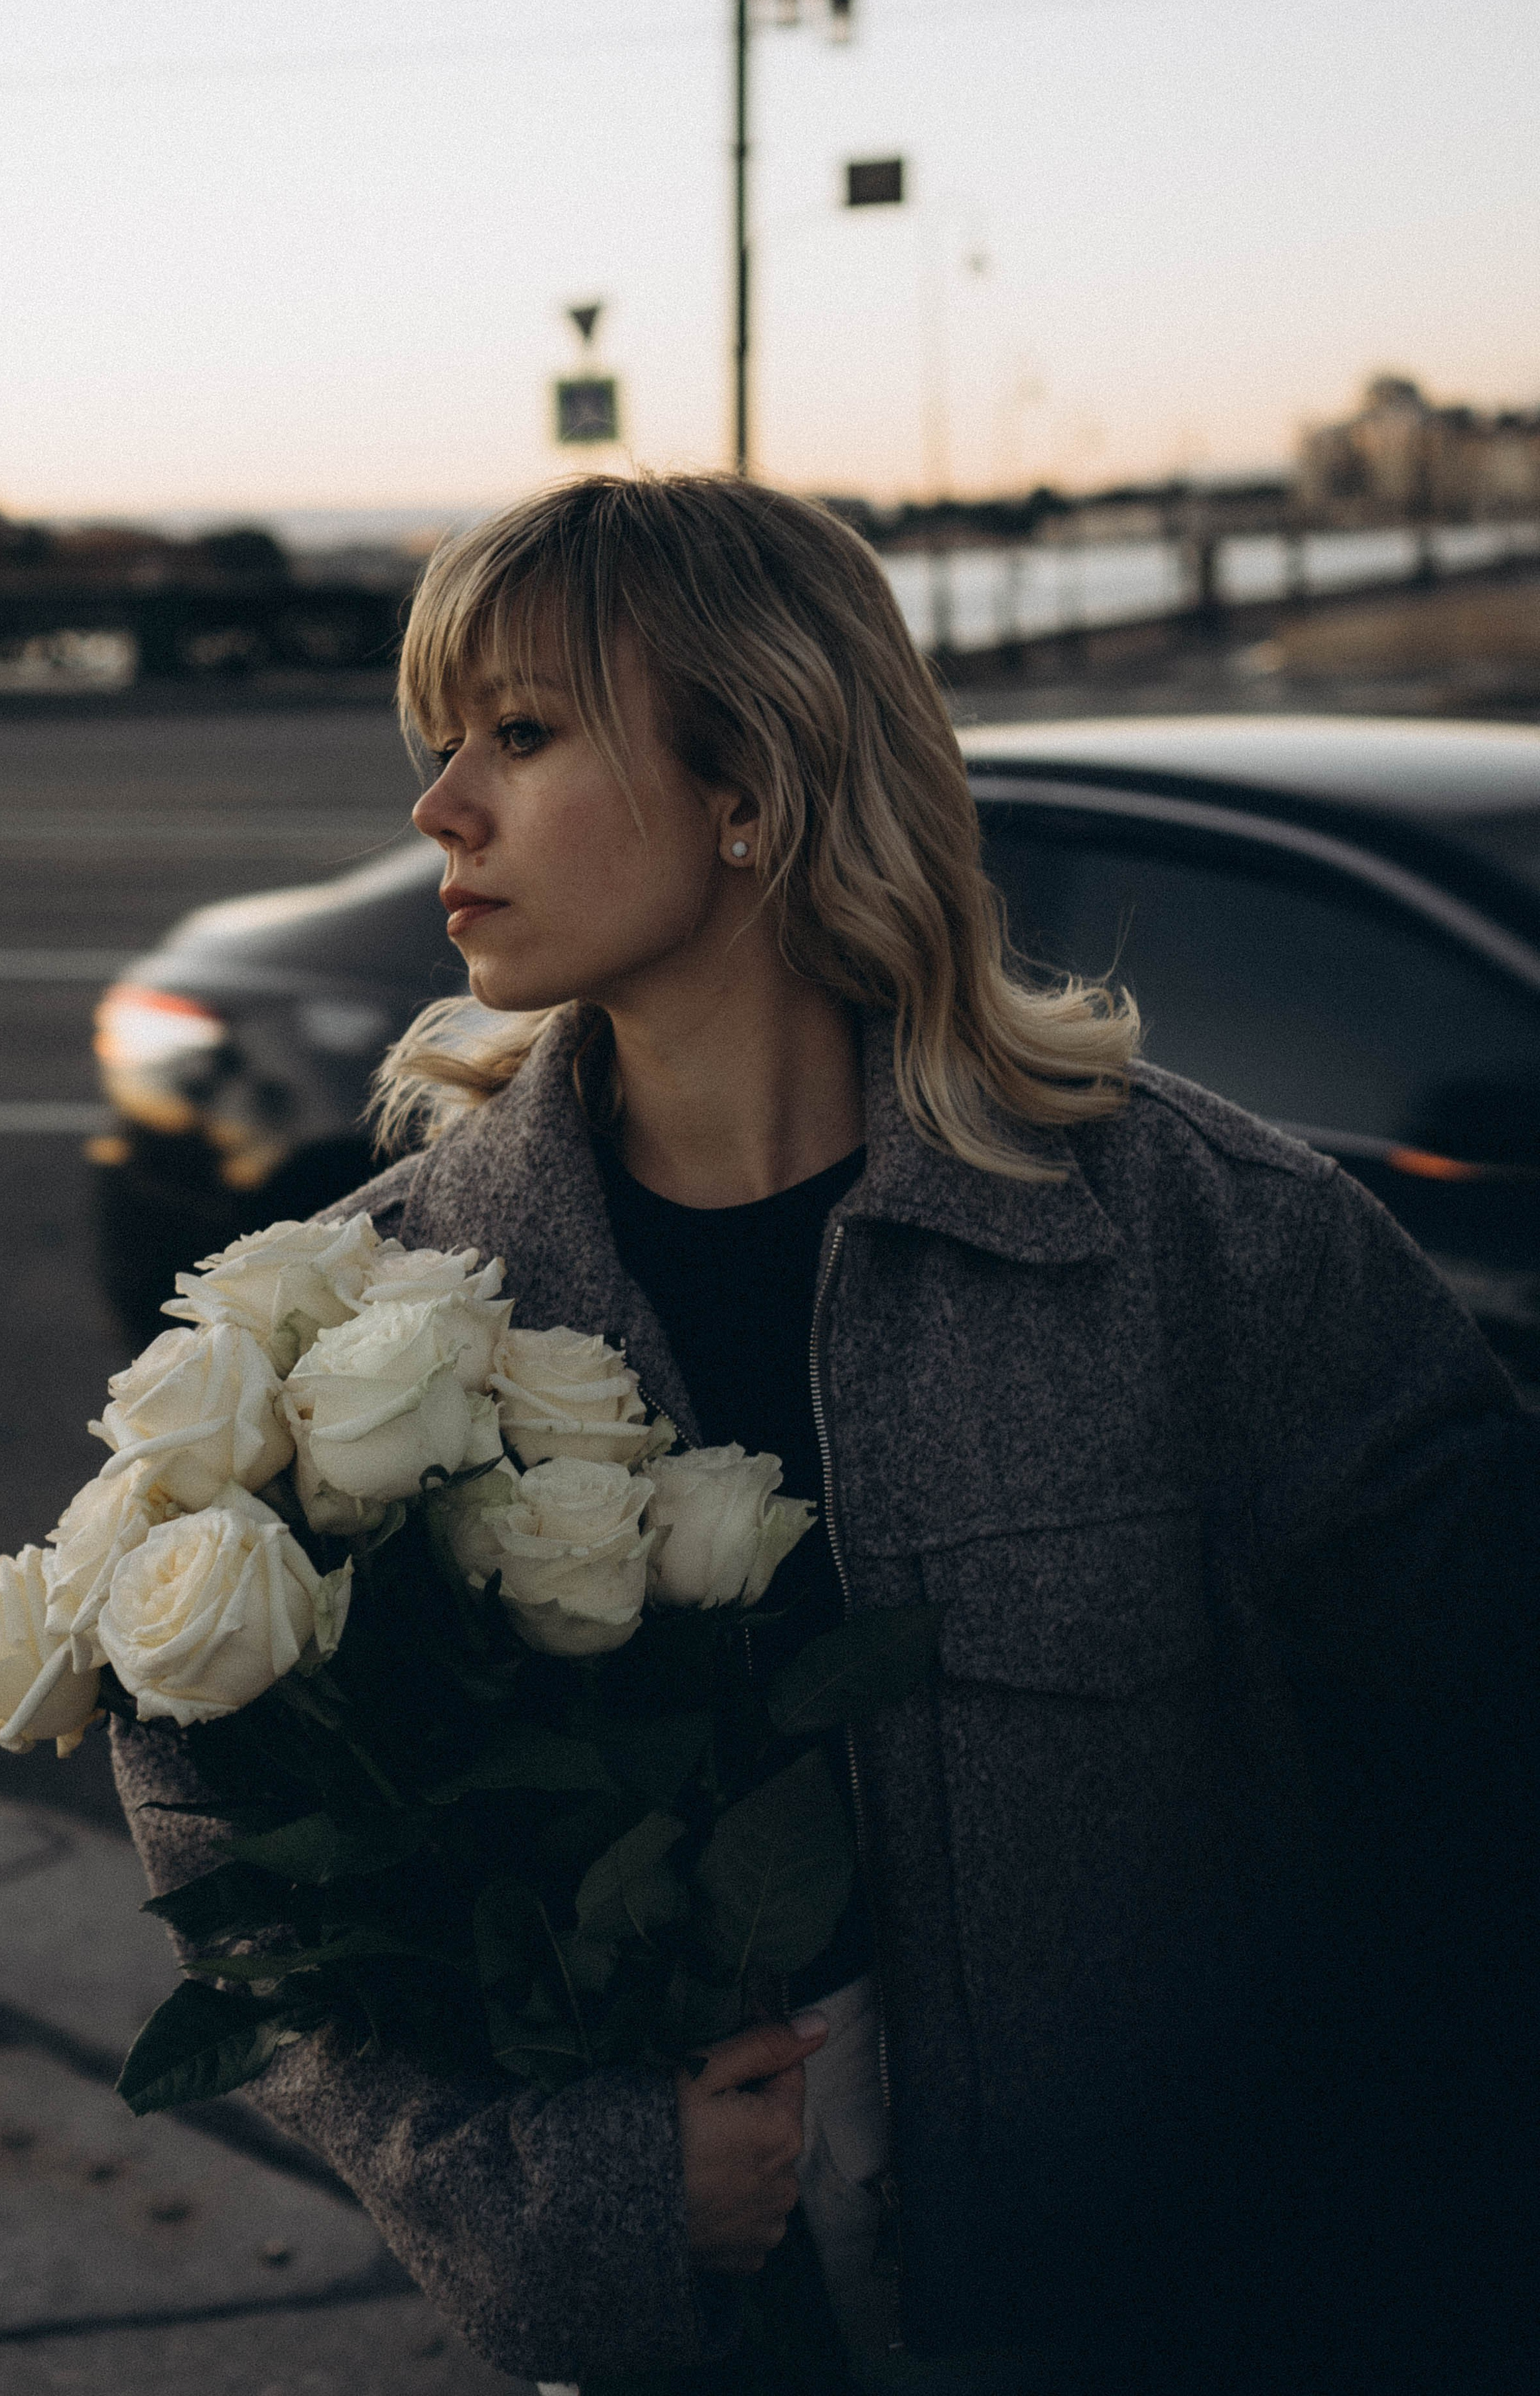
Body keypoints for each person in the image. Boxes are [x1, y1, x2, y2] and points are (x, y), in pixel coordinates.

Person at [115, 473, 1536, 2396]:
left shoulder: (1211, 1246)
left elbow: (1479, 1814)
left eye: (520, 735)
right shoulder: (371, 1318)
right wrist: (564, 2197)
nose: (439, 807)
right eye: (439, 743)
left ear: (753, 785)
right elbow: (228, 1849)